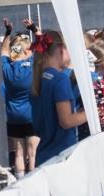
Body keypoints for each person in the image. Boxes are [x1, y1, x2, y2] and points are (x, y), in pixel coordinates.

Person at [31, 30, 86, 166]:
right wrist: (94, 112)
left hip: (44, 155)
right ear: (61, 49)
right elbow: (66, 121)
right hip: (61, 156)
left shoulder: (39, 78)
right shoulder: (60, 79)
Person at [1, 18, 38, 179]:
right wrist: (34, 29)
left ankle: (20, 181)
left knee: (19, 153)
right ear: (24, 51)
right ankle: (33, 180)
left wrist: (8, 33)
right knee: (33, 152)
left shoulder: (7, 68)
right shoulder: (32, 64)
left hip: (13, 115)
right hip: (31, 114)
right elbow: (45, 45)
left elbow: (3, 52)